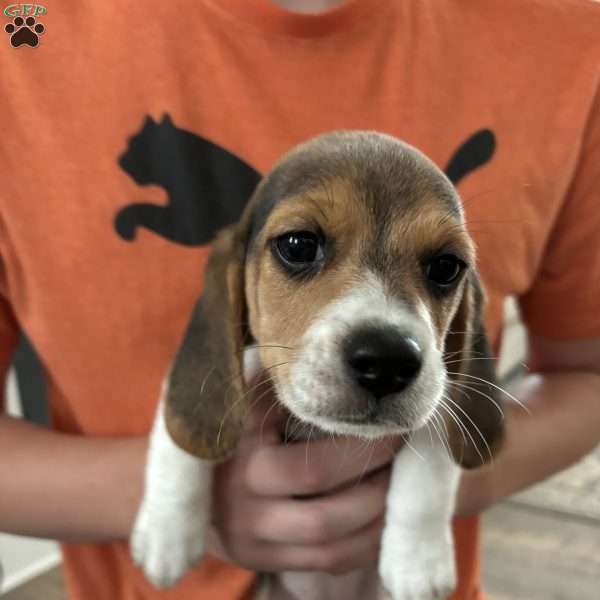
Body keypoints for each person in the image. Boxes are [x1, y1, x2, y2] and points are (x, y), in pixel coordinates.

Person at [1, 0, 599, 599]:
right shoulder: (23, 32)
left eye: (441, 268)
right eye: (299, 246)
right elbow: (192, 388)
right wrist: (178, 496)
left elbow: (584, 374)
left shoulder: (568, 35)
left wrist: (428, 501)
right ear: (240, 277)